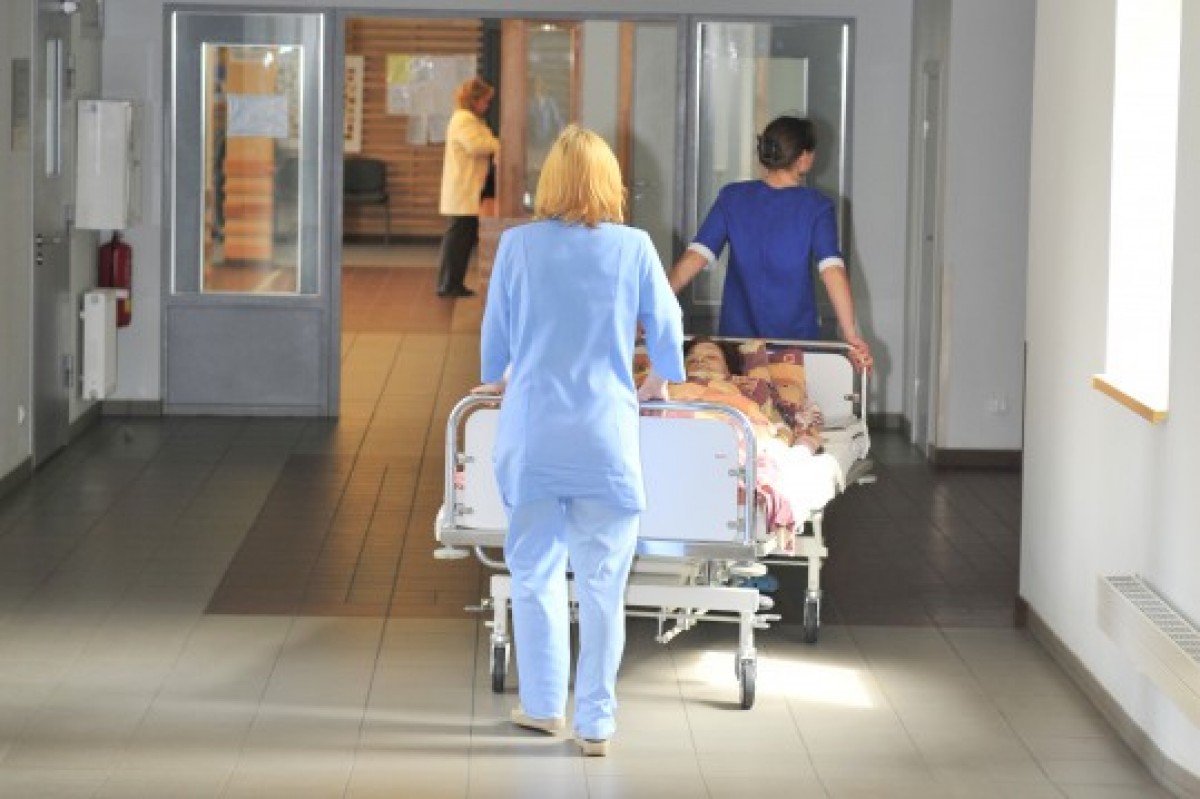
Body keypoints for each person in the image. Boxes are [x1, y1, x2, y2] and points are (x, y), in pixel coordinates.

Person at [475, 125, 685, 757]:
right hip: (604, 438)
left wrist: (498, 375)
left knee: (534, 572)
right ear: (608, 183)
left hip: (534, 435)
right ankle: (596, 723)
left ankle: (544, 707)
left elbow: (496, 339)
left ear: (551, 182)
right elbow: (667, 325)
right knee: (602, 585)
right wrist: (657, 382)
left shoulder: (518, 245)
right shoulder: (634, 247)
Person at [669, 116, 874, 373]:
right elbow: (833, 272)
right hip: (795, 348)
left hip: (738, 346)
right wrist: (850, 335)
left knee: (742, 399)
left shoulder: (732, 197)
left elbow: (694, 259)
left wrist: (650, 309)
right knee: (792, 398)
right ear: (803, 158)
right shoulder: (817, 207)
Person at [436, 76, 500, 298]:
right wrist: (499, 144)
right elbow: (477, 145)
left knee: (461, 240)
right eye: (485, 100)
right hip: (463, 190)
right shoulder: (464, 120)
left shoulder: (470, 119)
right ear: (474, 100)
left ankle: (453, 282)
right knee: (457, 240)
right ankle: (448, 284)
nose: (487, 105)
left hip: (467, 189)